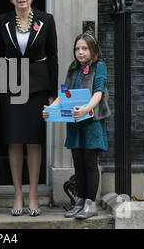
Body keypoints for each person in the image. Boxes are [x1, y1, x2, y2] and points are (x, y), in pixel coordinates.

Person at [0, 0, 58, 217]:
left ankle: (33, 194)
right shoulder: (3, 21)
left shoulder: (46, 20)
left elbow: (53, 57)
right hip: (10, 87)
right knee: (14, 140)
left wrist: (52, 94)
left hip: (37, 89)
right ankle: (18, 193)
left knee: (34, 140)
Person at [43, 33, 111, 219]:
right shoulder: (73, 68)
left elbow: (98, 92)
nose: (80, 52)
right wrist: (51, 108)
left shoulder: (99, 66)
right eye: (77, 49)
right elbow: (64, 93)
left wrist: (85, 109)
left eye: (84, 48)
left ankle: (91, 204)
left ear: (93, 50)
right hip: (74, 121)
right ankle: (80, 202)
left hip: (91, 122)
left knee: (90, 162)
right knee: (78, 164)